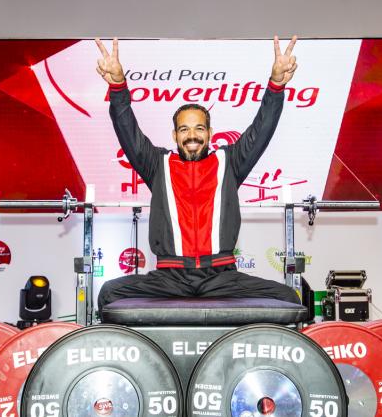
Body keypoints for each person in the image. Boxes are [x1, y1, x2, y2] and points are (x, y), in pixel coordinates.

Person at [95, 36, 301, 311]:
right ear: (175, 135)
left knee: (288, 298)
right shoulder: (158, 164)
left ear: (209, 133)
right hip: (169, 278)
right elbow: (127, 130)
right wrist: (118, 87)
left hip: (221, 276)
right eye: (184, 129)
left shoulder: (229, 161)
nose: (192, 135)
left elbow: (261, 130)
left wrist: (276, 86)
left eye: (199, 128)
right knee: (109, 293)